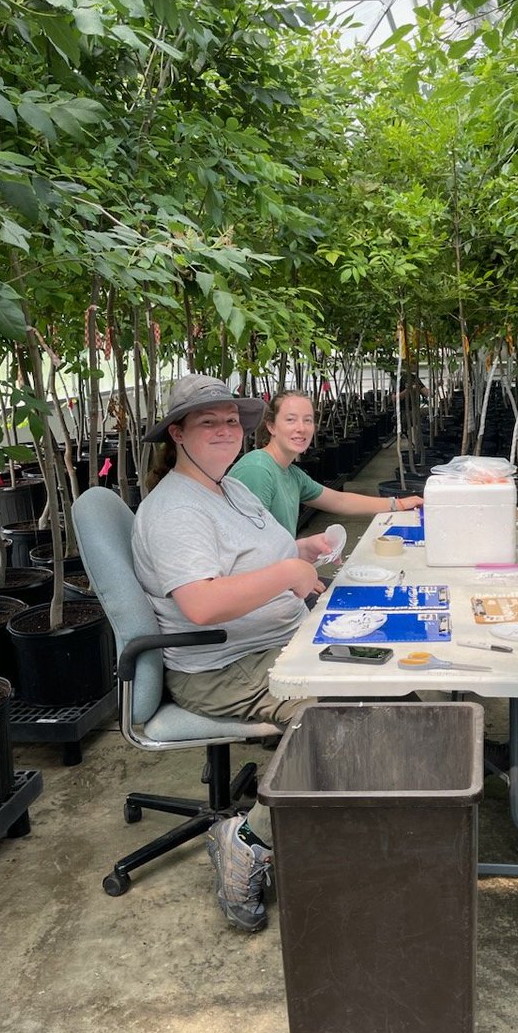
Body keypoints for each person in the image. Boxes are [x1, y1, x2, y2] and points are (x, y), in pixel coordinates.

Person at [133, 374, 323, 934]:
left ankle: (336, 818)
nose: (224, 431)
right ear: (178, 433)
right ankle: (247, 841)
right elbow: (201, 604)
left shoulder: (230, 488)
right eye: (206, 422)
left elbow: (259, 553)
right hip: (222, 667)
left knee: (391, 690)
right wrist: (289, 572)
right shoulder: (175, 510)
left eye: (230, 420)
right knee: (343, 718)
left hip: (277, 641)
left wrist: (302, 550)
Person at [230, 388, 423, 536]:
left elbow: (340, 501)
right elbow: (248, 547)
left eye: (308, 420)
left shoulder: (291, 473)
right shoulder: (258, 470)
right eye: (290, 420)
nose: (301, 428)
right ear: (271, 426)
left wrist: (398, 504)